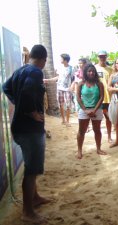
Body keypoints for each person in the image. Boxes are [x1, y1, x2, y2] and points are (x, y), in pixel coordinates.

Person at [2, 44, 50, 224]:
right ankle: (28, 212)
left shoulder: (20, 70)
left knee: (32, 166)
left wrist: (18, 103)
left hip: (20, 127)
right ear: (43, 59)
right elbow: (28, 90)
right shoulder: (36, 72)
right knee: (31, 170)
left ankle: (35, 197)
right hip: (30, 129)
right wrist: (30, 111)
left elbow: (5, 88)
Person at [76, 64, 106, 159]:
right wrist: (85, 109)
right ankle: (79, 151)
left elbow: (101, 97)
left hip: (96, 109)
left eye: (93, 71)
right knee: (81, 131)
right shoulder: (81, 84)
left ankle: (98, 149)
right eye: (89, 71)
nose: (91, 73)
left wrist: (94, 110)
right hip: (84, 110)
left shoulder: (99, 84)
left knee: (97, 130)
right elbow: (78, 97)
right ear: (85, 72)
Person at [44, 53, 73, 126]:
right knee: (61, 104)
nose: (60, 60)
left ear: (65, 60)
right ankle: (63, 120)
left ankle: (68, 121)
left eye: (61, 58)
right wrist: (47, 80)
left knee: (68, 105)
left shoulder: (71, 68)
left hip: (67, 89)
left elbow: (74, 79)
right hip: (60, 88)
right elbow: (58, 78)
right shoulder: (60, 68)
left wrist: (72, 87)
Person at [95, 50, 114, 143]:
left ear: (106, 57)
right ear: (98, 57)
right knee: (97, 119)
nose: (102, 58)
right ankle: (97, 137)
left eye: (104, 56)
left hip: (108, 98)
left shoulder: (110, 69)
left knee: (108, 118)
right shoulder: (94, 68)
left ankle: (109, 136)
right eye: (100, 56)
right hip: (97, 98)